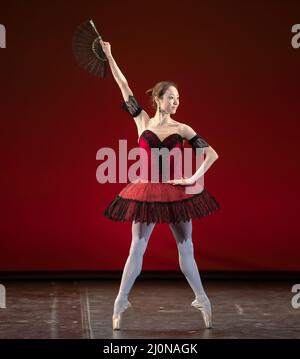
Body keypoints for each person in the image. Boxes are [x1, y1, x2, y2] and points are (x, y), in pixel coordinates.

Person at [99, 39, 220, 331]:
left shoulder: (183, 129)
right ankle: (120, 301)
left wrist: (191, 179)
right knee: (136, 247)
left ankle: (203, 300)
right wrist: (110, 56)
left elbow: (212, 154)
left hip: (175, 192)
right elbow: (124, 85)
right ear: (159, 99)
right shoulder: (142, 121)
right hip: (147, 191)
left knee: (186, 247)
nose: (176, 101)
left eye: (178, 98)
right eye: (171, 97)